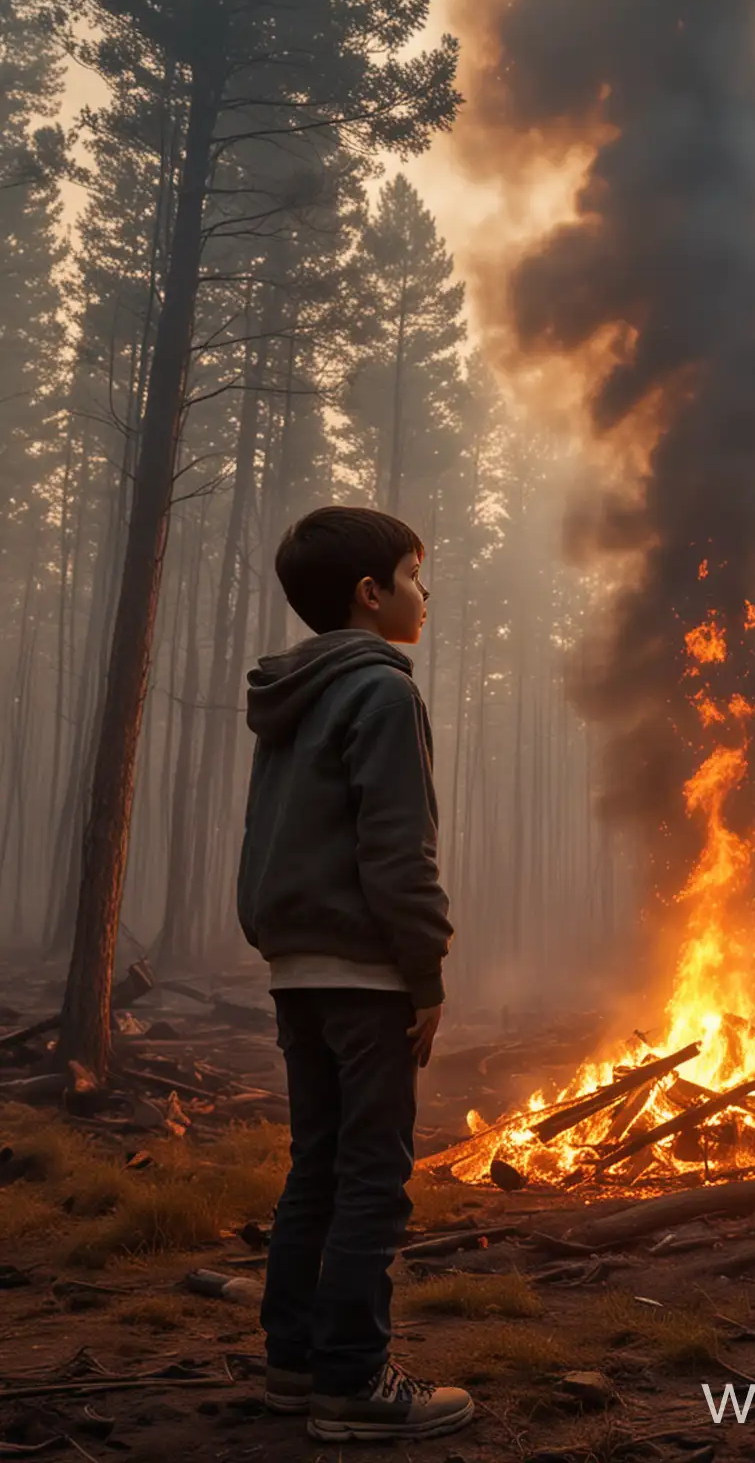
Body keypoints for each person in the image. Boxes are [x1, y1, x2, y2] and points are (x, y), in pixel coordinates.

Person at [237, 505, 473, 1442]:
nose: (427, 594)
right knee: (374, 1177)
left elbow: (273, 841)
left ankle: (294, 1367)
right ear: (372, 595)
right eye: (417, 577)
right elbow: (398, 854)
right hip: (368, 975)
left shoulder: (288, 698)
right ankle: (354, 1382)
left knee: (318, 1169)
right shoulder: (381, 692)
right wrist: (427, 975)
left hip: (298, 970)